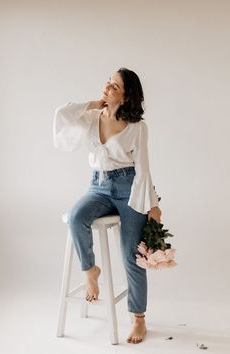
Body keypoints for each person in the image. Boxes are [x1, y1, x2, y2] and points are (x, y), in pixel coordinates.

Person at [53, 67, 162, 344]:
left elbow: (144, 169)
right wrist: (93, 103)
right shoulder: (91, 117)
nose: (108, 87)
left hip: (129, 189)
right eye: (108, 82)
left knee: (130, 255)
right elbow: (61, 115)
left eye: (115, 86)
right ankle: (91, 271)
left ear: (126, 97)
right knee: (77, 216)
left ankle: (139, 318)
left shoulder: (138, 128)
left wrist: (152, 206)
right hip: (98, 187)